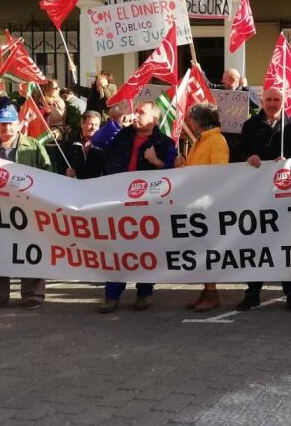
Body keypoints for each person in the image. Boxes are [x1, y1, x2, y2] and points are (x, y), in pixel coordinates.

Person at [233, 87, 291, 311]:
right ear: (262, 100)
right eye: (268, 99)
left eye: (276, 100)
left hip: (286, 197)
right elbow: (237, 154)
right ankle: (253, 293)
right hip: (257, 196)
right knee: (256, 243)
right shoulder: (250, 125)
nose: (272, 103)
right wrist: (247, 157)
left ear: (284, 101)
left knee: (287, 244)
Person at [93, 101, 178, 313]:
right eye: (136, 111)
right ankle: (112, 295)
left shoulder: (165, 143)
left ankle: (144, 292)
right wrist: (115, 122)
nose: (136, 115)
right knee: (117, 249)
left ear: (155, 120)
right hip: (118, 200)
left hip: (147, 205)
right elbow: (97, 141)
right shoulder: (122, 134)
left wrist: (156, 161)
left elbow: (173, 172)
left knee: (145, 249)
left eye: (141, 112)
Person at [0, 105, 53, 310]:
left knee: (31, 250)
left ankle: (33, 294)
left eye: (10, 123)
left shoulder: (32, 145)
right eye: (3, 124)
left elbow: (47, 171)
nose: (7, 128)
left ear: (18, 124)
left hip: (28, 210)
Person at [176, 103, 230, 312]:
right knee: (200, 248)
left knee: (207, 249)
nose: (188, 121)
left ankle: (212, 292)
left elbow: (218, 174)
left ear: (199, 121)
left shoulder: (216, 140)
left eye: (190, 118)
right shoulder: (201, 141)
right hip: (197, 203)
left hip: (207, 204)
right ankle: (207, 289)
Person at [65, 110, 106, 180]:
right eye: (90, 124)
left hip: (93, 185)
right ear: (82, 124)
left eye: (96, 125)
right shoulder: (70, 142)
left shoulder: (102, 145)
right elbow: (61, 162)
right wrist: (66, 171)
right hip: (73, 183)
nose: (93, 128)